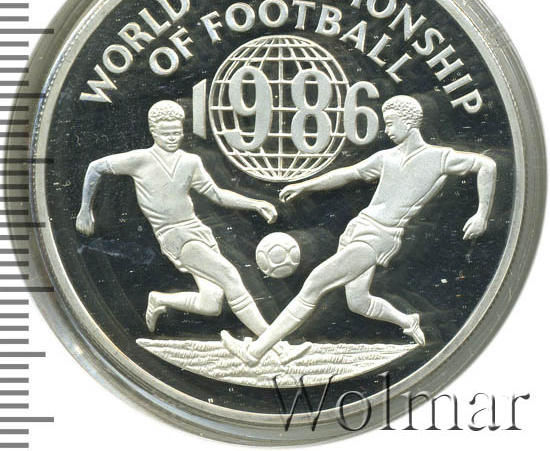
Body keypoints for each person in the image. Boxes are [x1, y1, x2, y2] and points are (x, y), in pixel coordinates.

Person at [222, 95, 497, 365]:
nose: (387, 130)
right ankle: (408, 320)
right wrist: (306, 185)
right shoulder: (387, 157)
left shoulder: (438, 158)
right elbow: (348, 174)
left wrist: (482, 215)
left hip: (379, 237)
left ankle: (255, 352)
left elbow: (487, 165)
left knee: (316, 283)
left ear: (409, 122)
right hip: (358, 228)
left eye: (391, 123)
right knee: (358, 302)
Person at [76, 100, 310, 363]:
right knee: (230, 277)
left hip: (199, 231)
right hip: (175, 236)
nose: (172, 138)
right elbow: (95, 167)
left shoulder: (190, 161)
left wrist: (255, 204)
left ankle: (160, 300)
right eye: (166, 133)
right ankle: (277, 348)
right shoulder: (139, 160)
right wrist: (85, 210)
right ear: (153, 132)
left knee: (211, 304)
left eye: (176, 133)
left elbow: (217, 194)